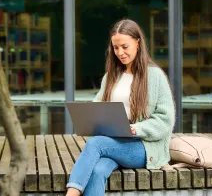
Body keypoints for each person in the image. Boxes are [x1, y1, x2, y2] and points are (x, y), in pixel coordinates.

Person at [66, 19, 176, 196]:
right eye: (115, 48)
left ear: (138, 43)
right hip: (114, 142)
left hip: (143, 146)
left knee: (95, 143)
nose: (120, 52)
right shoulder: (111, 76)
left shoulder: (155, 76)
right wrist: (90, 119)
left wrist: (135, 129)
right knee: (97, 171)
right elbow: (97, 107)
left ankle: (71, 194)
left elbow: (165, 121)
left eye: (125, 46)